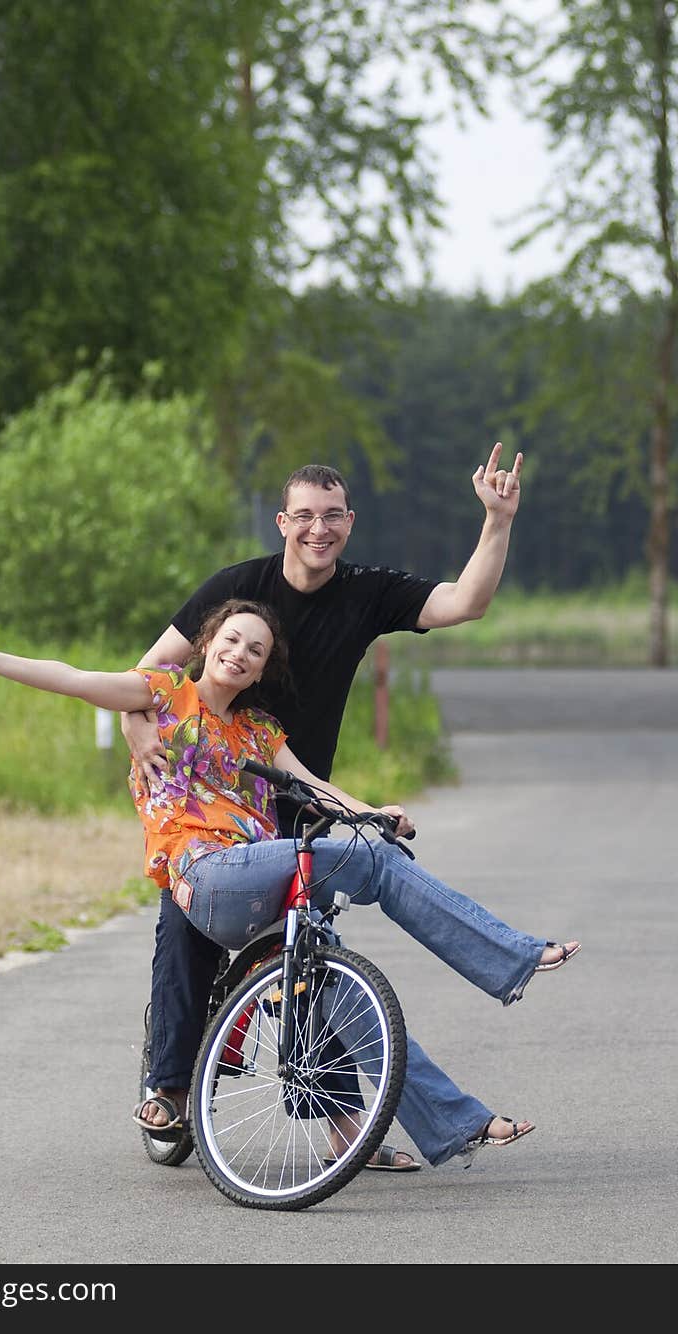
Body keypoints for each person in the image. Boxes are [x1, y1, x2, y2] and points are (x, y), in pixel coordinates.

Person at [0, 601, 580, 1170]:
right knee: (375, 866)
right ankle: (511, 954)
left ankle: (451, 1122)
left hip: (259, 883)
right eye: (232, 641)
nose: (241, 653)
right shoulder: (161, 695)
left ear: (263, 669)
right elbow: (74, 679)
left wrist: (372, 812)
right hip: (205, 876)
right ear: (207, 645)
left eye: (256, 650)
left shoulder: (260, 732)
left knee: (339, 990)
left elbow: (315, 788)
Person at [123, 446, 528, 1167]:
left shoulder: (368, 592)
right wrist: (139, 737)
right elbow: (148, 674)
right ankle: (168, 1088)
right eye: (304, 516)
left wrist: (496, 520)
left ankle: (349, 1134)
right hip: (212, 805)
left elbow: (467, 602)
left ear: (349, 522)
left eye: (332, 516)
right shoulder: (239, 587)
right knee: (183, 934)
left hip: (299, 802)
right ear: (283, 521)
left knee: (311, 964)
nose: (318, 529)